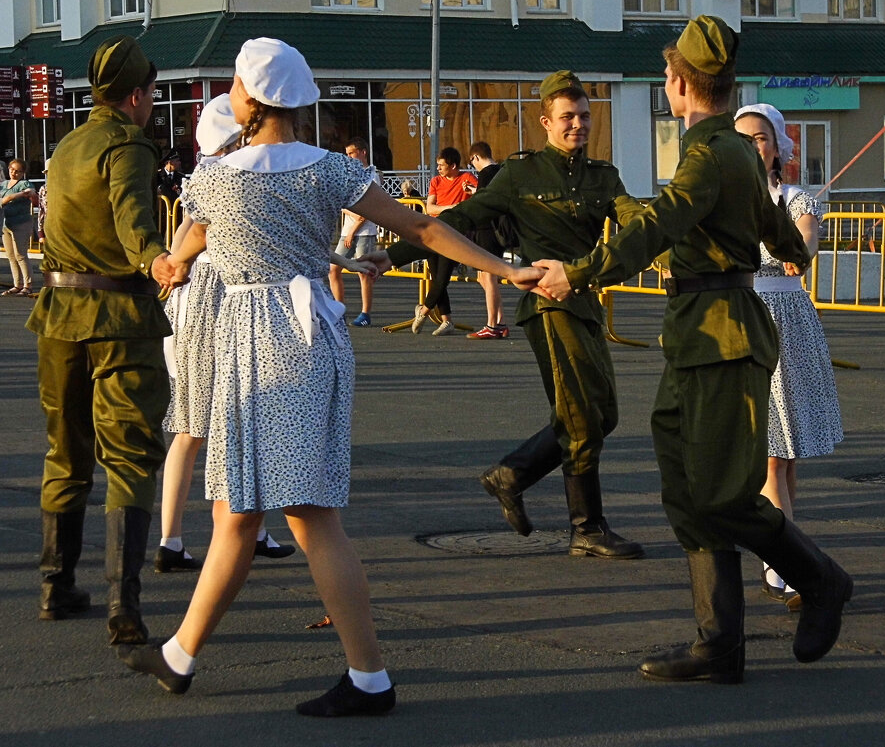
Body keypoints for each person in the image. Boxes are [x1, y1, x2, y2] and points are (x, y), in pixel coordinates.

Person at [116, 37, 543, 713]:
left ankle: (369, 676)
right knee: (238, 512)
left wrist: (163, 266)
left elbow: (184, 251)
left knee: (306, 515)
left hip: (254, 342)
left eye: (233, 83)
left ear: (250, 99)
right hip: (311, 331)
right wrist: (509, 269)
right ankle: (179, 654)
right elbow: (424, 229)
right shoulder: (327, 170)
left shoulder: (214, 179)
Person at [535, 16, 853, 683]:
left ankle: (819, 578)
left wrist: (580, 271)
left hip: (722, 334)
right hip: (699, 331)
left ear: (679, 84)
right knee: (686, 488)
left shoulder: (711, 153)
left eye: (667, 77)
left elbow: (663, 220)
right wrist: (796, 242)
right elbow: (774, 228)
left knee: (722, 493)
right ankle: (719, 642)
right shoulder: (735, 149)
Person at [383, 70, 646, 559]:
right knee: (580, 417)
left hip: (585, 302)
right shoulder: (521, 174)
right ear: (545, 121)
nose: (578, 125)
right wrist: (392, 257)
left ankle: (512, 475)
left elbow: (639, 224)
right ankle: (587, 527)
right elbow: (459, 220)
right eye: (567, 117)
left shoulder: (603, 176)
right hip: (547, 305)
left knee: (602, 415)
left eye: (585, 116)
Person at [25, 35, 181, 645]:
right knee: (131, 454)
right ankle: (124, 606)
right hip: (118, 317)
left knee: (64, 450)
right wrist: (155, 259)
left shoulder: (66, 145)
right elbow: (133, 221)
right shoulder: (128, 144)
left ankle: (55, 586)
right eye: (151, 96)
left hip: (58, 313)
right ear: (138, 95)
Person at [155, 93, 299, 574]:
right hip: (219, 295)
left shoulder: (213, 177)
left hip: (209, 297)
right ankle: (187, 538)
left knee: (208, 424)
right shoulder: (227, 177)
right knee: (208, 423)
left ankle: (203, 535)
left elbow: (182, 247)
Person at [734, 103, 844, 608]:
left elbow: (806, 238)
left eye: (760, 137)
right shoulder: (725, 201)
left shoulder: (796, 197)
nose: (753, 145)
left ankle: (780, 553)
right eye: (743, 138)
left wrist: (797, 251)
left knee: (786, 456)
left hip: (790, 321)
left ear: (778, 146)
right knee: (772, 457)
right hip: (745, 321)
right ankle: (791, 564)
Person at [411, 146, 477, 336]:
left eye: (442, 165)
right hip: (434, 232)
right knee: (436, 278)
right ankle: (447, 320)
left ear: (453, 166)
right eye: (438, 165)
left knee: (442, 278)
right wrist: (453, 207)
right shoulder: (436, 181)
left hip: (455, 236)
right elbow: (430, 208)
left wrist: (470, 193)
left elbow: (481, 194)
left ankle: (423, 311)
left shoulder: (466, 179)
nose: (438, 168)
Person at [327, 137, 379, 327]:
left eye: (352, 153)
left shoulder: (371, 175)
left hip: (364, 232)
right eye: (347, 154)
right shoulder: (349, 174)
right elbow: (345, 203)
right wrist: (348, 214)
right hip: (348, 230)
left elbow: (366, 210)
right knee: (334, 269)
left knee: (363, 272)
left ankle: (366, 313)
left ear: (363, 152)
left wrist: (352, 230)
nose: (348, 157)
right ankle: (339, 309)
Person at [464, 141, 509, 339]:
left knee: (488, 276)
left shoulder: (486, 173)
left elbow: (483, 204)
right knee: (486, 277)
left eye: (472, 161)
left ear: (475, 157)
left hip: (486, 229)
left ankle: (492, 325)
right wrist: (476, 192)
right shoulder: (500, 172)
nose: (473, 165)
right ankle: (500, 321)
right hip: (497, 229)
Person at [0, 158, 39, 296]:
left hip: (21, 222)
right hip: (5, 223)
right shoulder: (3, 185)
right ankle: (17, 284)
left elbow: (33, 196)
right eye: (12, 169)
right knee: (10, 255)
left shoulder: (24, 184)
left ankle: (28, 285)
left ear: (23, 173)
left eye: (17, 171)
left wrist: (30, 194)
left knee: (20, 254)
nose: (14, 173)